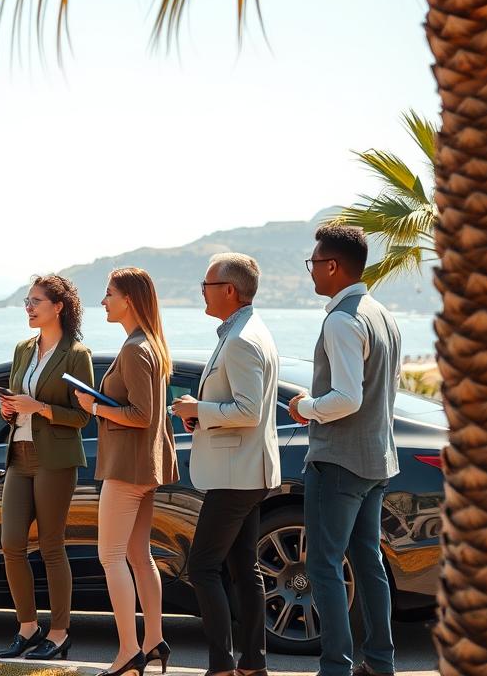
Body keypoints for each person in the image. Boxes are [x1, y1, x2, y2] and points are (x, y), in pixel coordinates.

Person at [288, 224, 401, 676]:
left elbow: (348, 398)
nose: (311, 271)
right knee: (368, 562)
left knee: (324, 566)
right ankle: (379, 661)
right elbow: (386, 391)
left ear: (332, 266)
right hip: (376, 459)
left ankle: (335, 666)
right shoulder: (382, 314)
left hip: (337, 462)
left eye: (314, 263)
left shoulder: (341, 319)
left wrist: (306, 407)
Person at [171, 253, 280, 676]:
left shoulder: (240, 339)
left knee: (202, 566)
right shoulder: (245, 331)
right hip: (247, 468)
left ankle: (220, 666)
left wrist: (198, 407)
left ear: (229, 291)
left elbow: (248, 410)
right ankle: (253, 664)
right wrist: (200, 413)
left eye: (206, 285)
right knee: (243, 568)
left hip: (237, 473)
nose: (201, 291)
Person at [74, 267, 179, 676]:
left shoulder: (137, 349)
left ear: (129, 300)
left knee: (111, 556)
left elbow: (141, 414)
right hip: (144, 468)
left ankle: (128, 652)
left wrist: (94, 407)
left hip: (127, 469)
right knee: (138, 555)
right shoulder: (150, 344)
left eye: (108, 294)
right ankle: (153, 641)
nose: (103, 301)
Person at [0, 274, 94, 661]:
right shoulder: (23, 348)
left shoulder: (76, 354)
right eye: (27, 301)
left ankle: (59, 631)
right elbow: (16, 398)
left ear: (59, 307)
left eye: (36, 301)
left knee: (51, 546)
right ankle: (27, 627)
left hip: (55, 459)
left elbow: (82, 418)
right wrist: (8, 410)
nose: (29, 307)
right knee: (10, 543)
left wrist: (40, 408)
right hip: (18, 456)